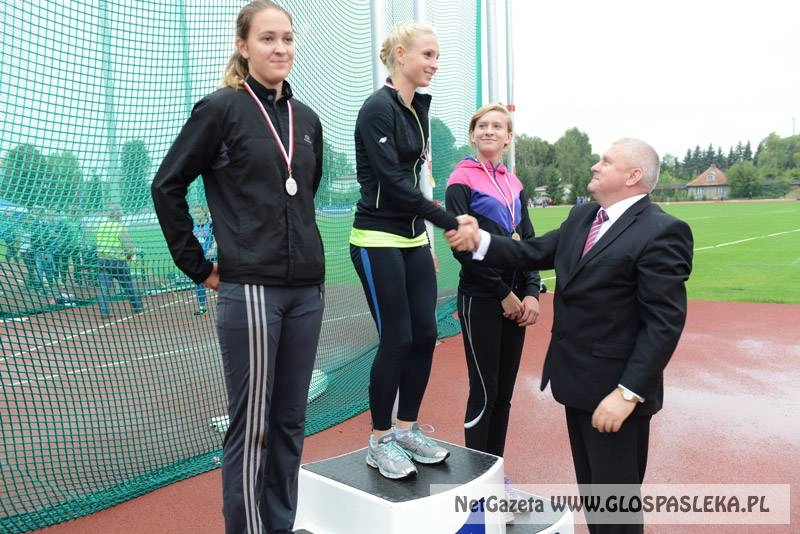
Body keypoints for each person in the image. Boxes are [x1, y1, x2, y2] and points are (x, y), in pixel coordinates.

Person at [448, 138, 693, 533]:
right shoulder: (584, 216)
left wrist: (628, 394)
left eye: (606, 161)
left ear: (633, 176)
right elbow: (530, 253)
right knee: (596, 501)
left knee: (617, 511)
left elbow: (664, 323)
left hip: (616, 394)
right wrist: (480, 241)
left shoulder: (662, 230)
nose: (596, 166)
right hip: (576, 384)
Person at [151, 2, 325, 533]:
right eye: (268, 38)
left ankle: (280, 524)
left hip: (306, 291)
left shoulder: (307, 120)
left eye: (287, 38)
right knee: (253, 427)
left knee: (290, 422)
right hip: (250, 289)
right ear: (243, 46)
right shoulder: (220, 109)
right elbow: (167, 185)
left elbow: (304, 193)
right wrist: (198, 266)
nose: (280, 48)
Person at [349, 21, 477, 480]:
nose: (434, 64)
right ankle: (379, 439)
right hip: (376, 239)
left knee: (425, 334)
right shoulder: (376, 109)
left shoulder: (417, 108)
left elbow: (418, 181)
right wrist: (450, 221)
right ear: (400, 54)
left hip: (413, 239)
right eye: (427, 55)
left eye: (437, 56)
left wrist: (427, 235)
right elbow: (394, 186)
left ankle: (406, 430)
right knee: (397, 338)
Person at [445, 103, 541, 460]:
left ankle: (495, 472)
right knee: (485, 392)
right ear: (473, 135)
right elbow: (462, 248)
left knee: (504, 395)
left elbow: (528, 242)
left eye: (497, 126)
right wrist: (503, 293)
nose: (489, 131)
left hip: (517, 300)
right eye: (482, 126)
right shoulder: (461, 179)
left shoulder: (514, 183)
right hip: (482, 297)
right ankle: (477, 477)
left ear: (508, 137)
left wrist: (531, 292)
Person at [95, 209, 143, 317]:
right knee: (129, 285)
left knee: (104, 289)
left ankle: (104, 311)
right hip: (118, 262)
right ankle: (138, 307)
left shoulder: (101, 227)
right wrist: (130, 256)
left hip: (103, 261)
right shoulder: (120, 228)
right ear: (118, 217)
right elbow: (128, 248)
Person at [191, 206, 215, 316]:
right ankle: (202, 307)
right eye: (195, 213)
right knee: (199, 282)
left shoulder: (210, 225)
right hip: (199, 259)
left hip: (212, 258)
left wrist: (212, 250)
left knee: (221, 280)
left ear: (204, 213)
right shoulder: (193, 227)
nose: (196, 215)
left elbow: (216, 240)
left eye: (198, 212)